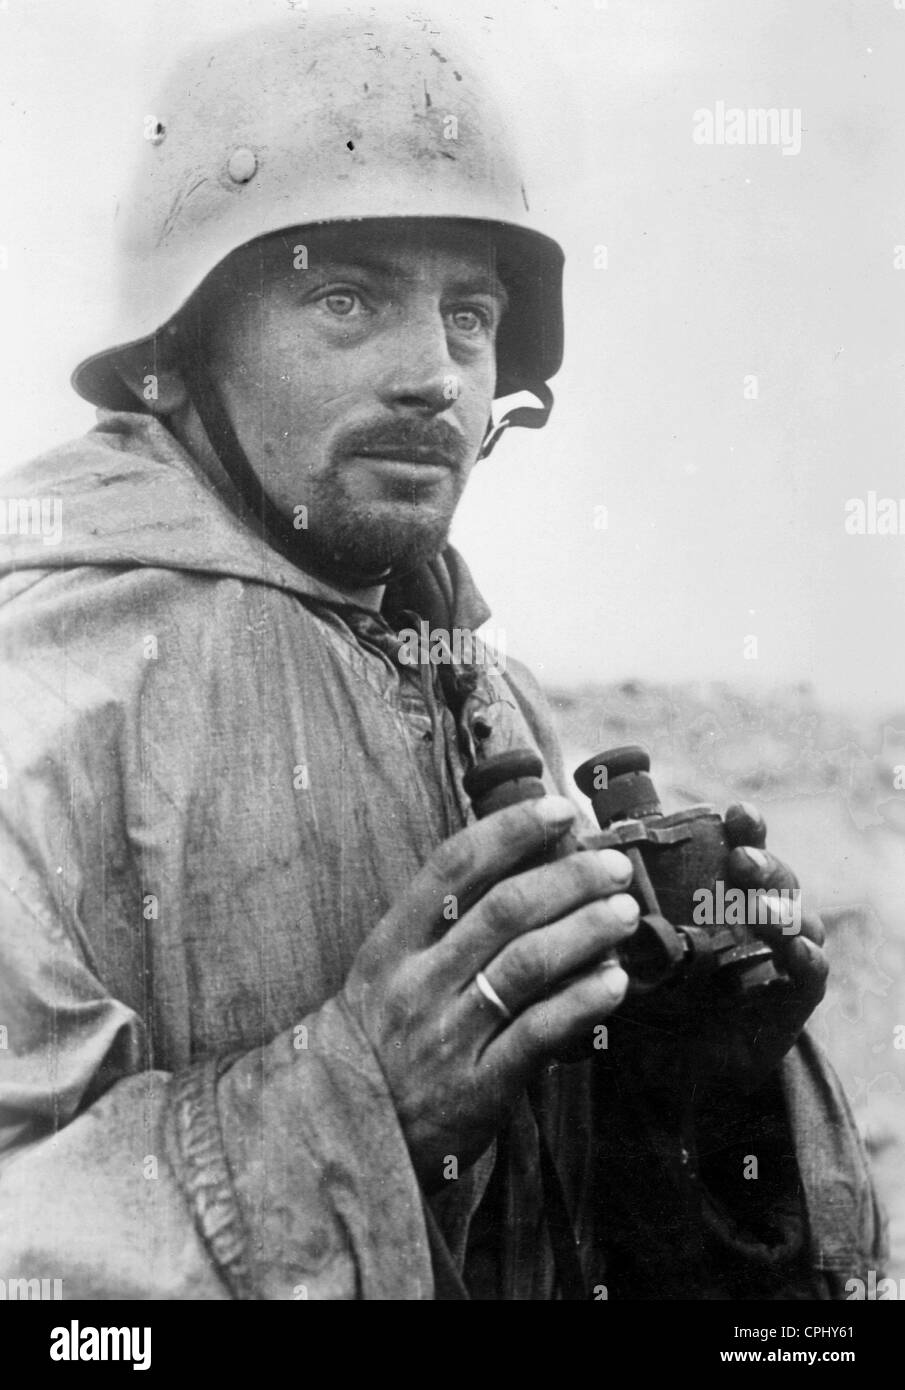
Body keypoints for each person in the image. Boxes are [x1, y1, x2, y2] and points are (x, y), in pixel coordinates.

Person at [0, 11, 883, 1300]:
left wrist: (686, 1090)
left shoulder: (489, 698)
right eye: (346, 300)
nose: (436, 375)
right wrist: (356, 1102)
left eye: (470, 316)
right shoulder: (37, 697)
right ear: (171, 361)